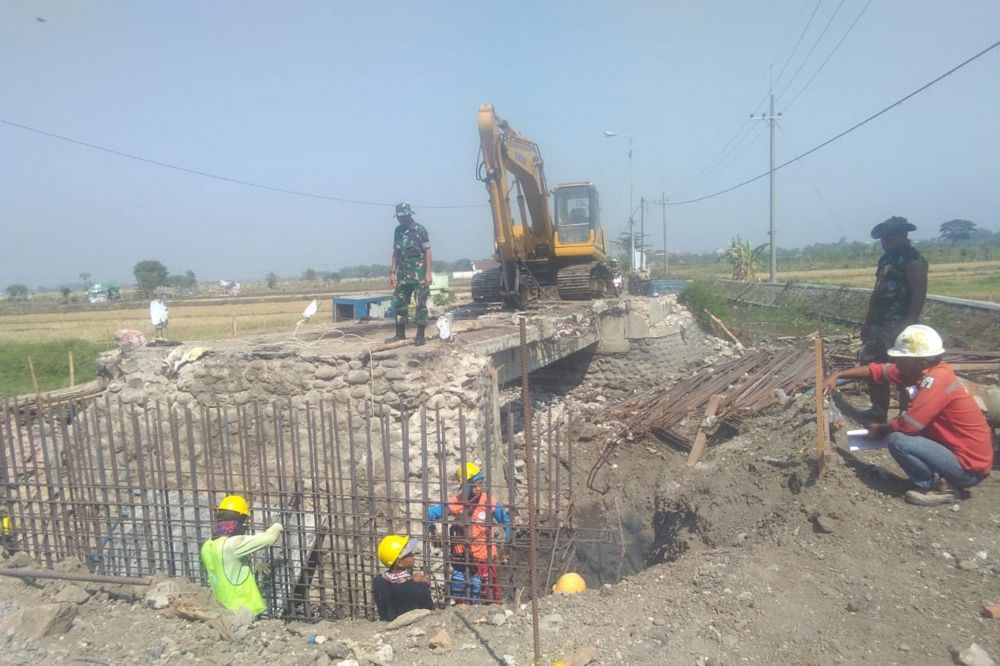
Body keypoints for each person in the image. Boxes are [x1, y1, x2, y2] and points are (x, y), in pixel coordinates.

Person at [824, 325, 993, 507]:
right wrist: (837, 375)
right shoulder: (915, 372)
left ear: (922, 362)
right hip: (959, 456)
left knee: (898, 441)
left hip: (969, 468)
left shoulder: (936, 381)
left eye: (901, 359)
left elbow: (910, 425)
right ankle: (938, 478)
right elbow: (877, 371)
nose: (896, 362)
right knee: (903, 435)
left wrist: (882, 429)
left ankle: (940, 487)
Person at [859, 216, 928, 422]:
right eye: (883, 238)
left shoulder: (913, 260)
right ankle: (878, 409)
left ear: (902, 236)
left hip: (900, 324)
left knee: (905, 371)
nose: (885, 242)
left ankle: (906, 414)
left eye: (889, 238)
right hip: (879, 323)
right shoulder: (885, 260)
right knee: (872, 364)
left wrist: (909, 326)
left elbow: (918, 295)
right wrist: (868, 322)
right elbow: (877, 293)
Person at [427, 462, 511, 604]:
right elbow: (430, 514)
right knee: (463, 595)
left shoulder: (489, 502)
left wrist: (508, 543)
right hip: (463, 560)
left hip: (485, 558)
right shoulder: (456, 502)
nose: (479, 488)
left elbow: (507, 521)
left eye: (481, 484)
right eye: (475, 485)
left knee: (489, 595)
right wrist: (433, 531)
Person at [200, 495, 283, 616]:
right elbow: (269, 538)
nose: (246, 526)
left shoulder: (207, 546)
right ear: (238, 521)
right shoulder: (232, 544)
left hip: (223, 609)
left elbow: (230, 569)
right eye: (245, 522)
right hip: (243, 609)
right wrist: (277, 526)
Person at [386, 202, 433, 346]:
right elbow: (396, 252)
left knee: (420, 303)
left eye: (404, 216)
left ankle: (420, 335)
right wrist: (392, 272)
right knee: (399, 302)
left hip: (419, 273)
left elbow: (427, 252)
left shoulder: (420, 230)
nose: (401, 219)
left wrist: (428, 273)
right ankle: (400, 334)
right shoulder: (398, 231)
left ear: (409, 215)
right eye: (399, 217)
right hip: (403, 274)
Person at [372, 534, 434, 621]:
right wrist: (424, 585)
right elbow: (430, 612)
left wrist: (413, 582)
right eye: (409, 553)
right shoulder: (417, 589)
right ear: (399, 563)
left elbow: (397, 588)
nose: (412, 555)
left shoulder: (378, 581)